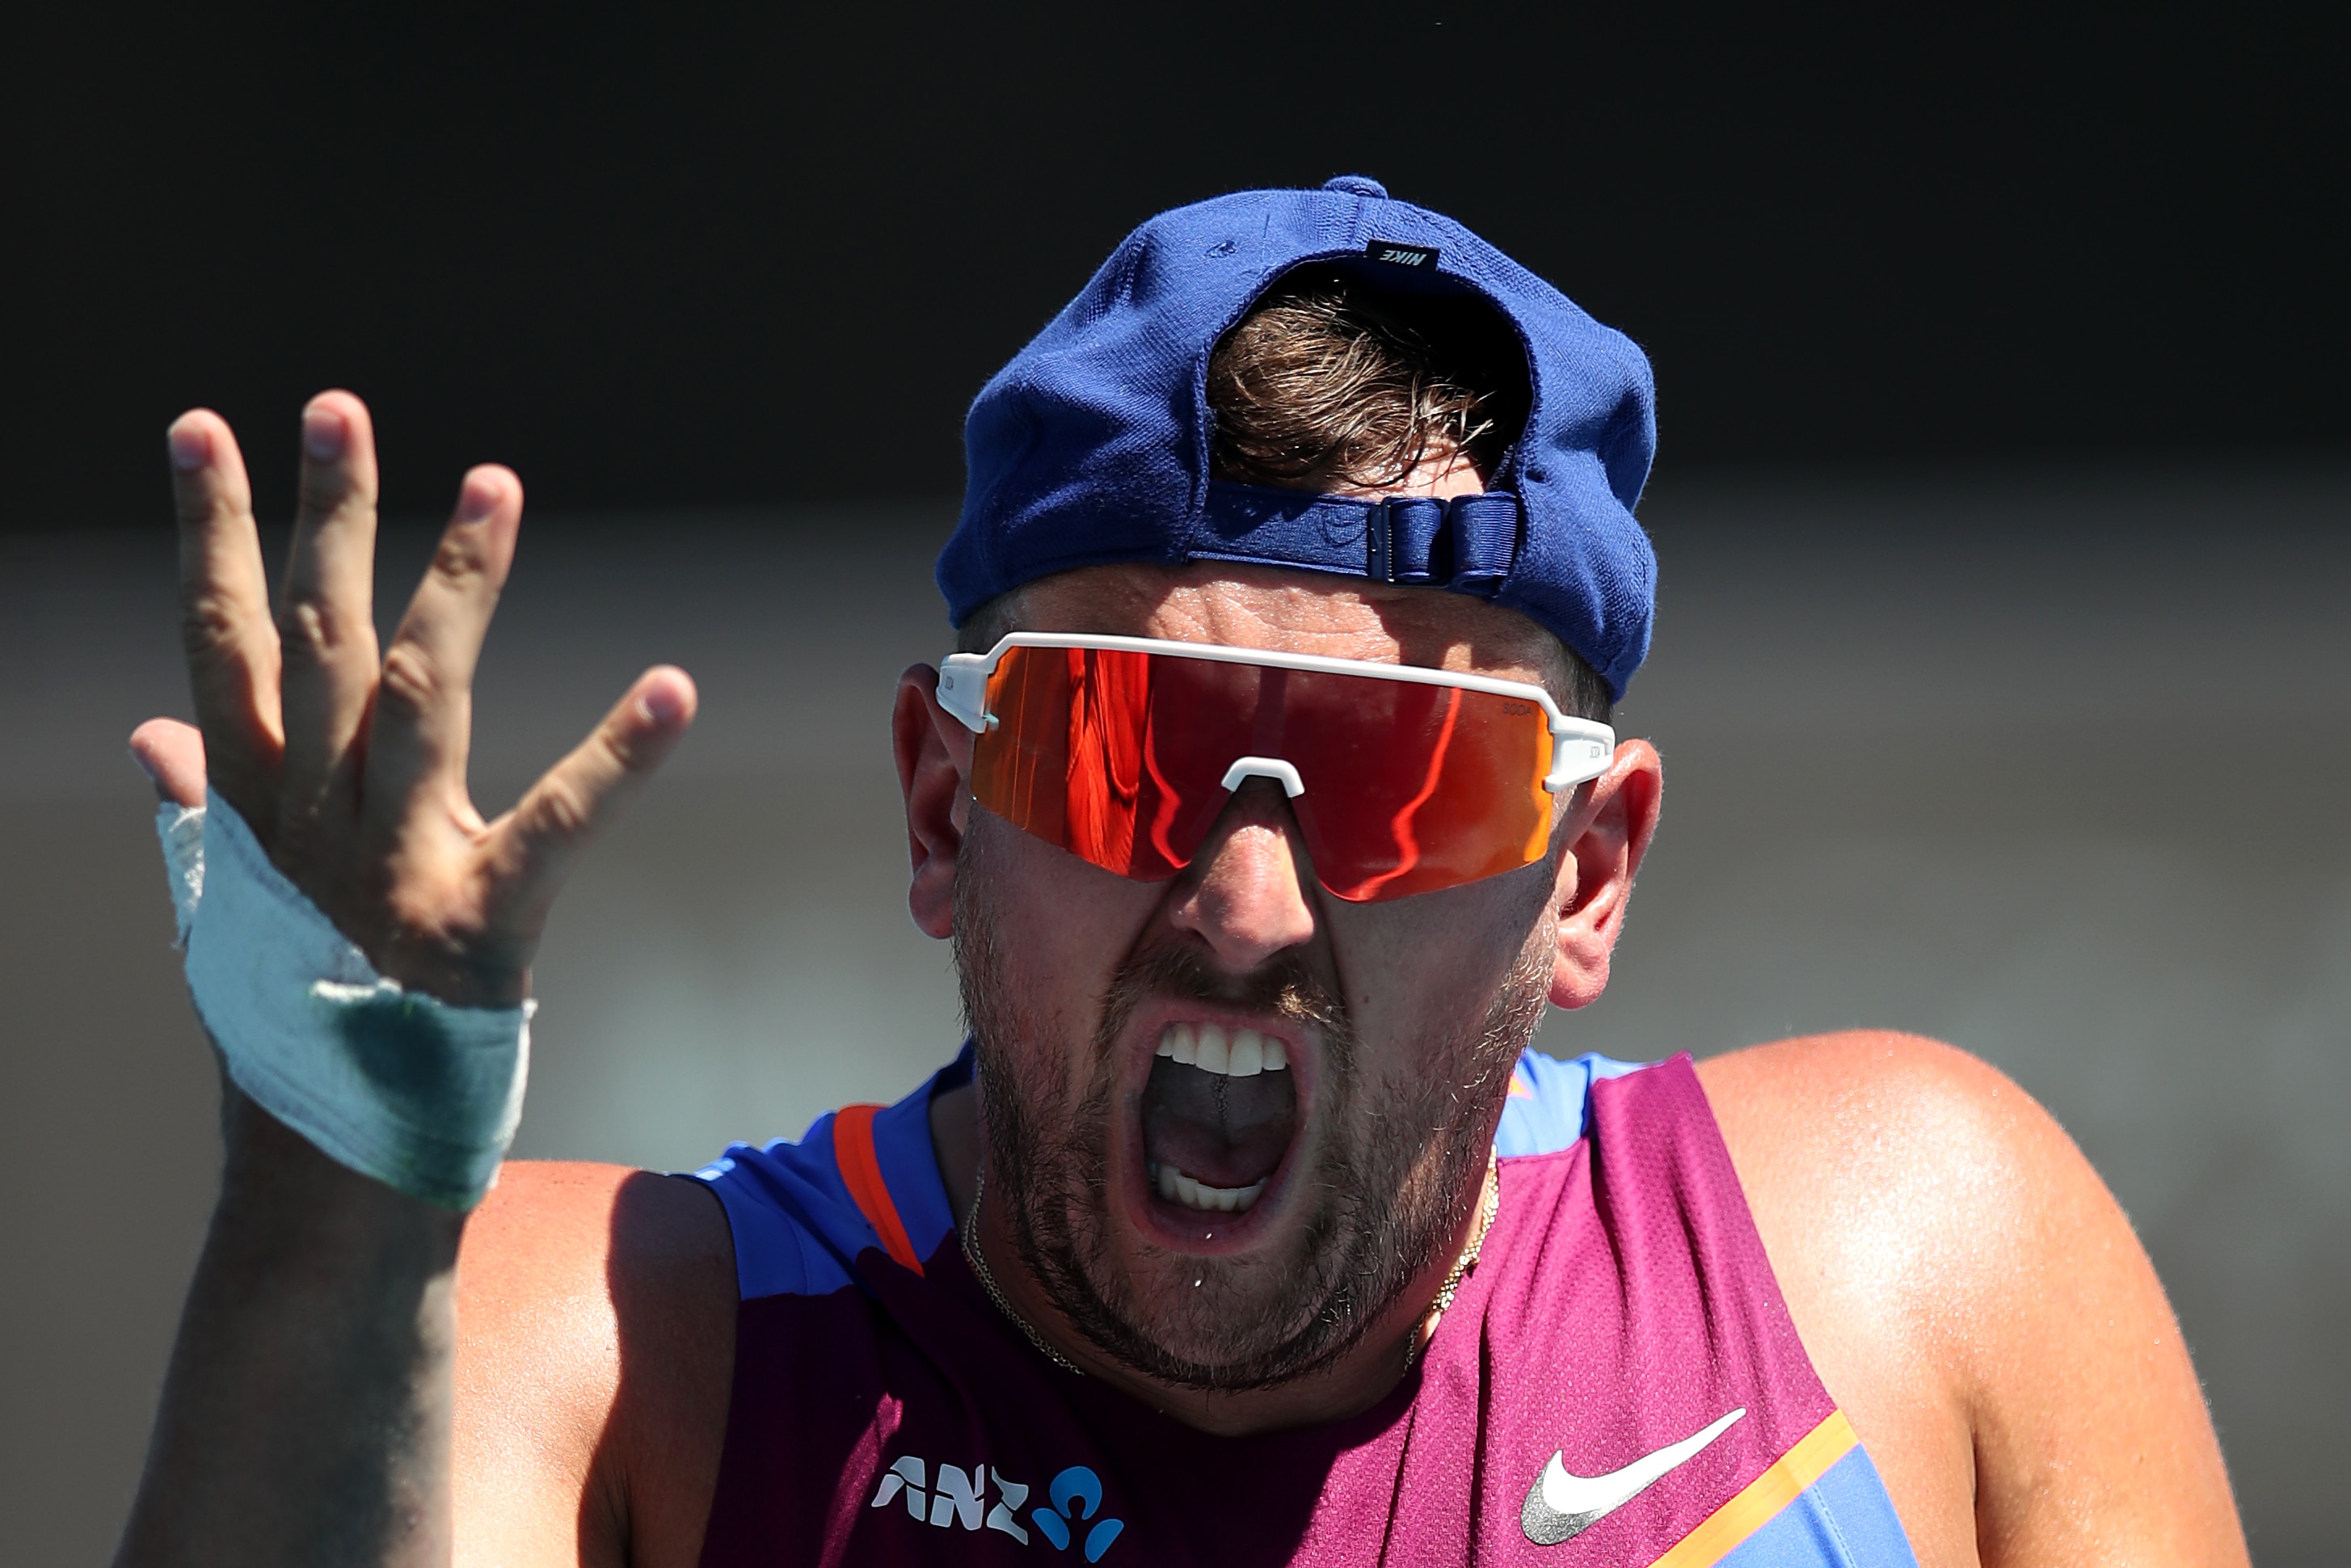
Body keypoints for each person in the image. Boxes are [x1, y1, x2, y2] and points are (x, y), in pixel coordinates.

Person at [116, 179, 2244, 1567]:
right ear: (945, 810)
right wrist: (324, 1220)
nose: (1245, 906)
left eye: (1402, 776)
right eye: (1125, 751)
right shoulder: (612, 1354)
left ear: (1587, 876)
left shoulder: (1911, 1267)